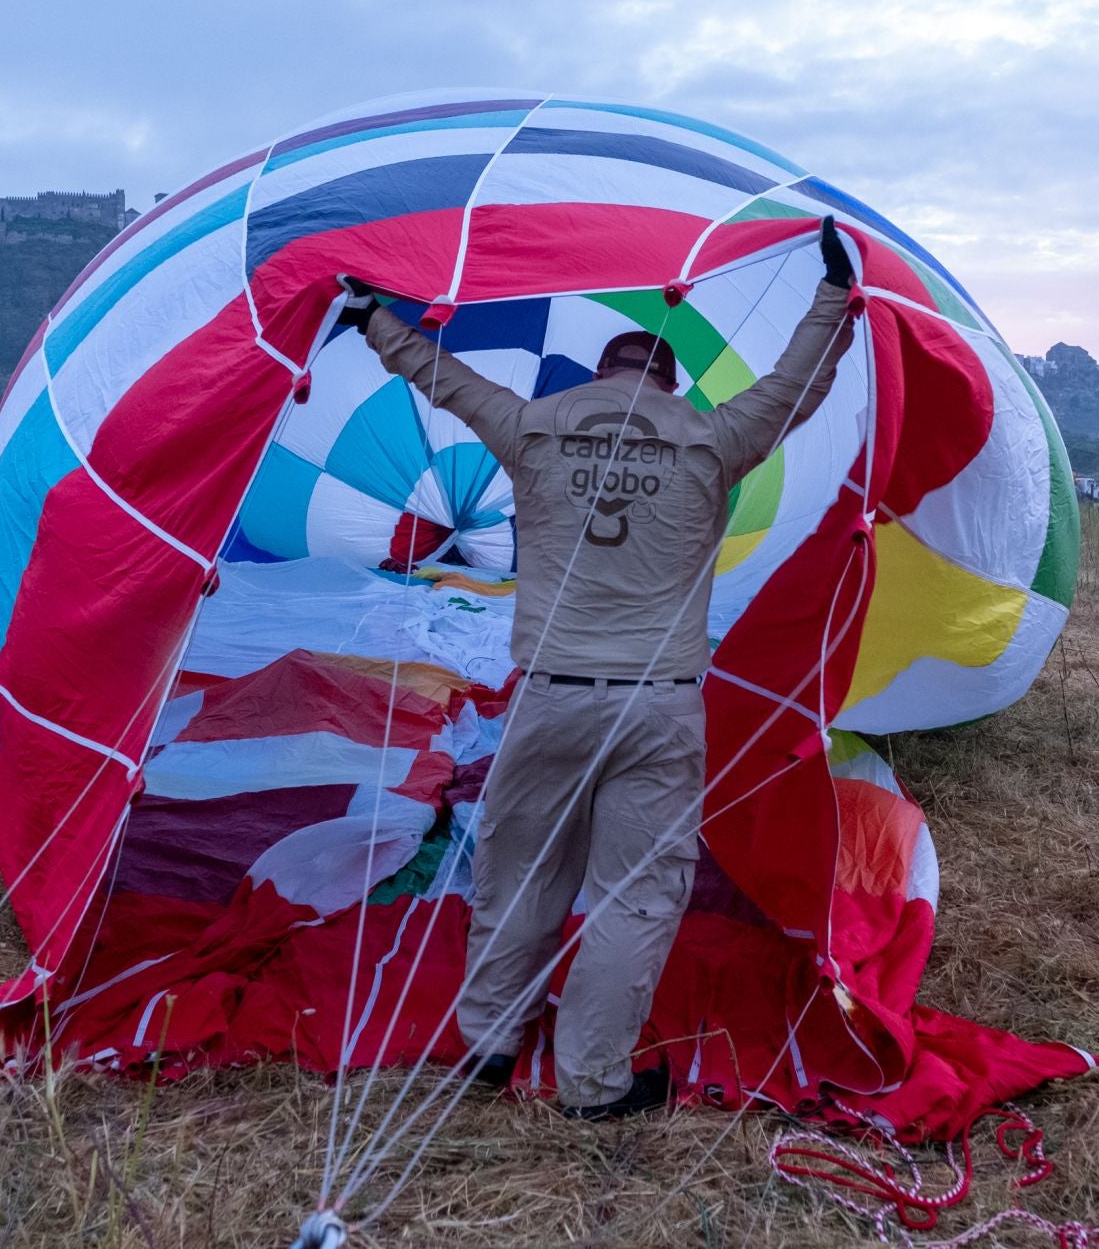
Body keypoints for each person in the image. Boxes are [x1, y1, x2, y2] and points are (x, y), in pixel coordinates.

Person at [340, 218, 857, 1119]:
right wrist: (833, 297)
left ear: (601, 375)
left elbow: (444, 380)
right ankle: (590, 1083)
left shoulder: (534, 425)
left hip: (550, 693)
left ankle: (490, 1045)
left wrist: (373, 321)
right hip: (658, 705)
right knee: (637, 892)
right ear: (666, 380)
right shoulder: (712, 437)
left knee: (519, 869)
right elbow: (795, 386)